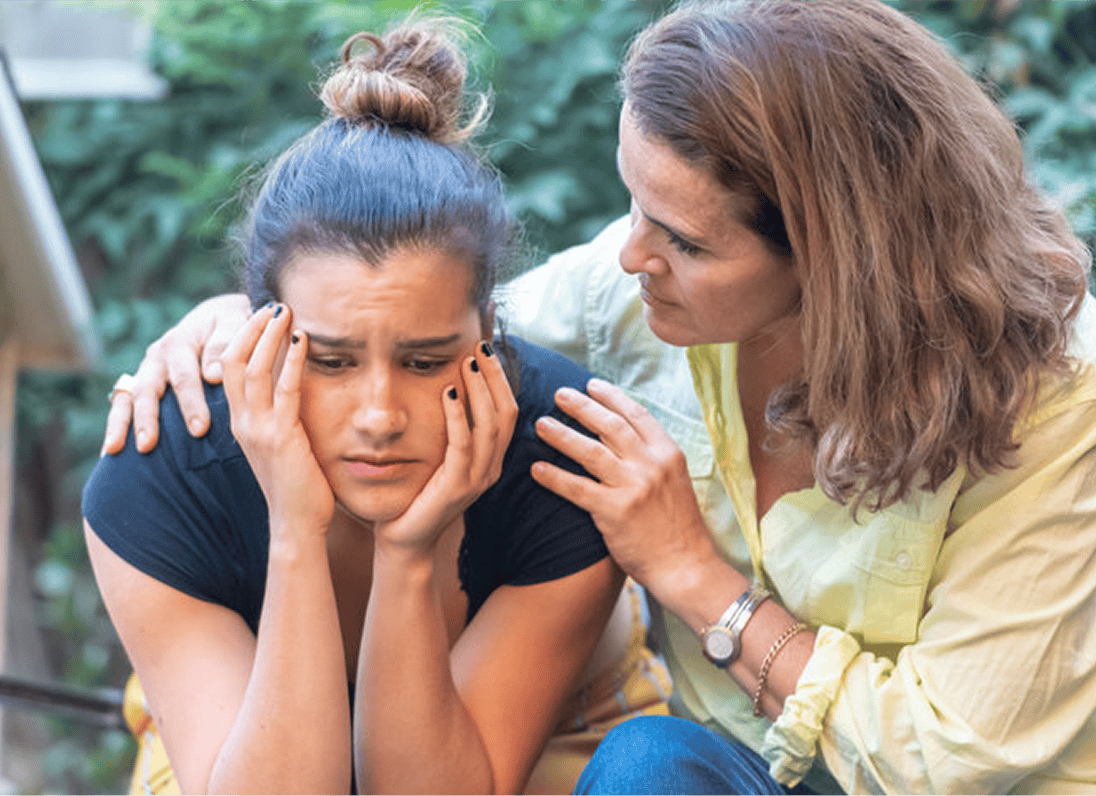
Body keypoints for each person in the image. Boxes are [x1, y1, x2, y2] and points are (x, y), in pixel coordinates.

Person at [103, 0, 1096, 793]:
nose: (629, 255)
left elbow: (950, 759)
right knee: (650, 770)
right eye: (633, 203)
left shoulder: (1060, 401)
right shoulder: (633, 298)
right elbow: (414, 316)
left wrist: (696, 580)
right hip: (725, 775)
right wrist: (220, 325)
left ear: (843, 260)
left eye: (687, 240)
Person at [83, 18, 673, 796]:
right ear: (260, 336)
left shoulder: (565, 458)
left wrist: (409, 551)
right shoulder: (167, 465)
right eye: (330, 361)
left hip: (551, 740)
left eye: (425, 361)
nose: (379, 414)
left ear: (489, 333)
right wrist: (294, 529)